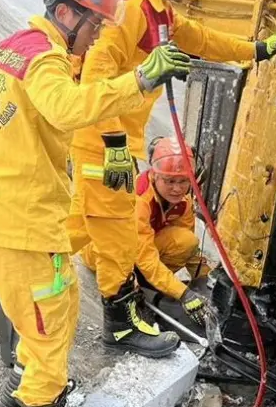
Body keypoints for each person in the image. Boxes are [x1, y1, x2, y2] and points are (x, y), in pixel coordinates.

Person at [0, 0, 191, 407]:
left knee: (28, 317)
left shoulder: (6, 49)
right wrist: (142, 80)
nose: (98, 38)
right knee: (53, 322)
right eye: (96, 27)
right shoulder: (47, 58)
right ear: (68, 14)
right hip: (28, 218)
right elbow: (66, 107)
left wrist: (14, 144)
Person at [68, 0, 276, 358]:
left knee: (83, 231)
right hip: (103, 145)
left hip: (115, 144)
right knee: (118, 237)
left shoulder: (156, 10)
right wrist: (116, 147)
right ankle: (117, 326)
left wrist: (257, 50)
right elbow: (94, 82)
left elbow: (202, 39)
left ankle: (37, 273)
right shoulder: (127, 9)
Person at [81, 136, 208, 324]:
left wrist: (202, 277)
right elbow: (146, 258)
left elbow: (188, 247)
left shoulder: (184, 201)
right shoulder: (139, 201)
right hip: (106, 253)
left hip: (140, 251)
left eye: (183, 181)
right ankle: (136, 292)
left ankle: (149, 285)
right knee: (128, 258)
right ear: (155, 174)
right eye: (170, 181)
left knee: (186, 240)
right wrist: (183, 293)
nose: (177, 189)